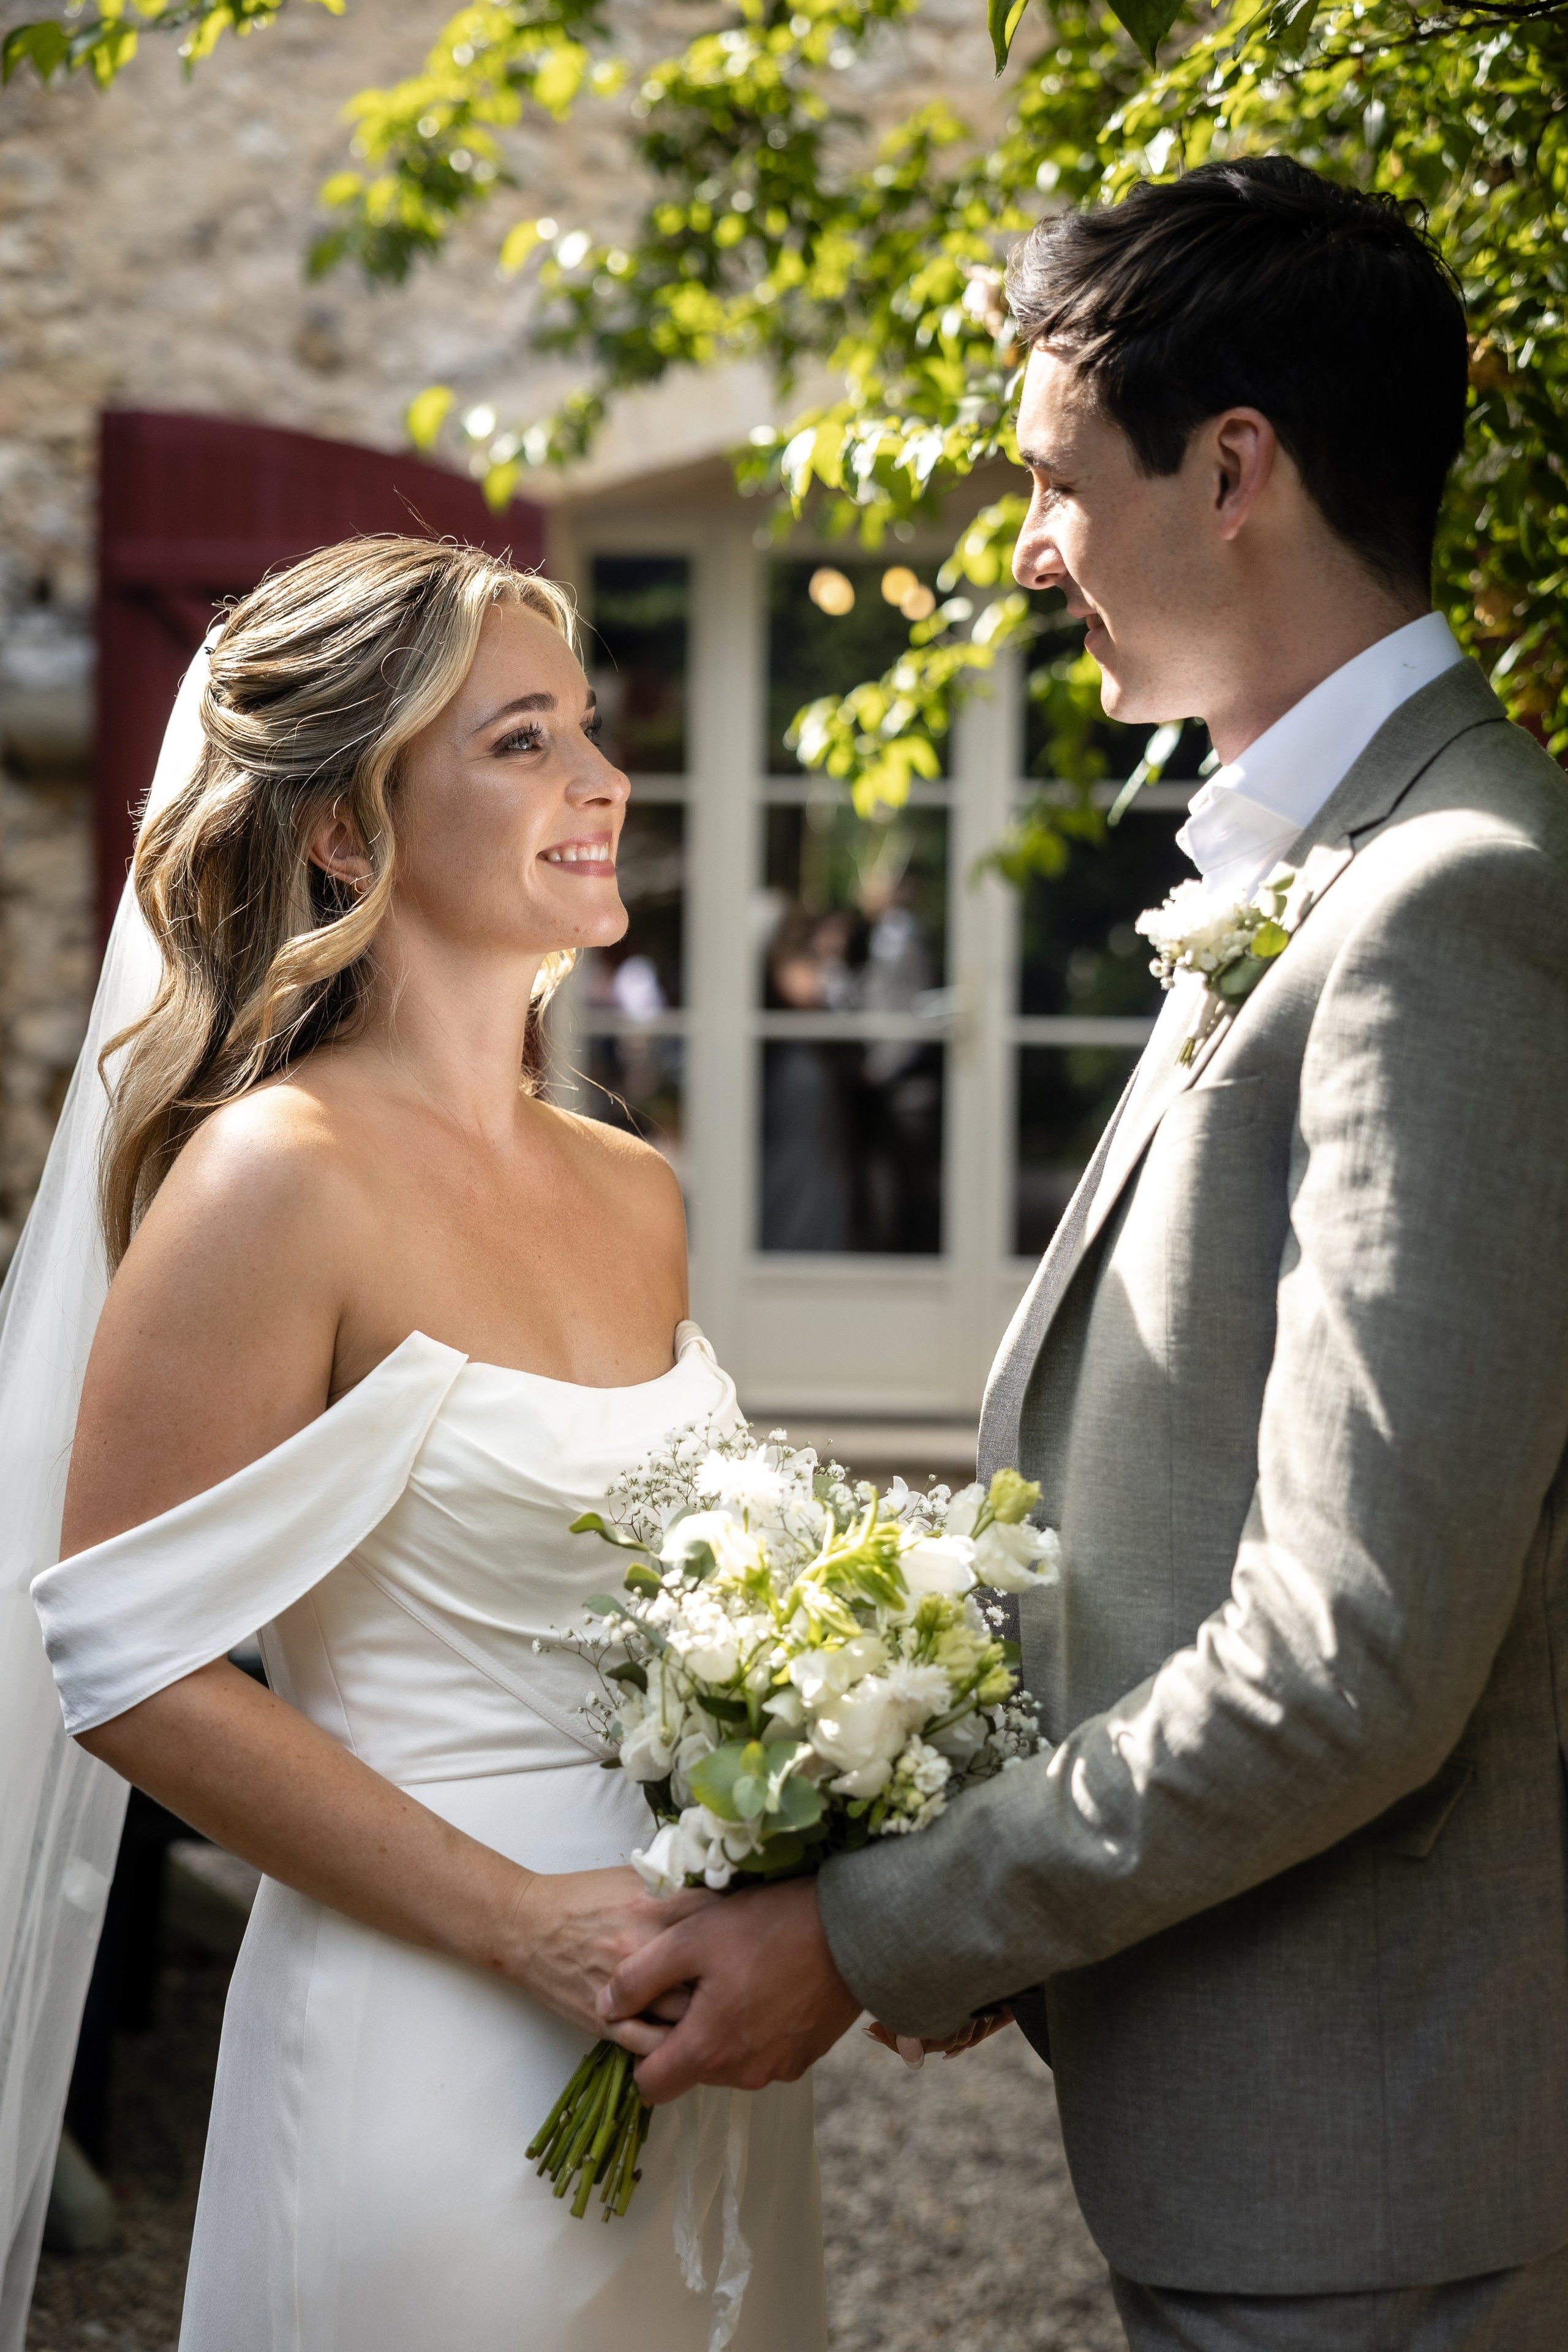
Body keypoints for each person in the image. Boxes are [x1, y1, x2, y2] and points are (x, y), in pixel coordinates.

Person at [596, 157, 1568, 2348]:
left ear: (1235, 468)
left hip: (1374, 2158)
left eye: (1052, 477)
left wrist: (894, 1922)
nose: (1030, 545)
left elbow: (1353, 1654)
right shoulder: (1314, 860)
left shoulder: (1447, 908)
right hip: (1277, 2119)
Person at [17, 538, 823, 2351]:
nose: (602, 781)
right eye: (521, 743)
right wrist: (525, 1928)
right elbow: (132, 1661)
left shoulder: (636, 1191)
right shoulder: (272, 1181)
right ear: (346, 832)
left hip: (695, 2027)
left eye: (590, 733)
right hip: (443, 2036)